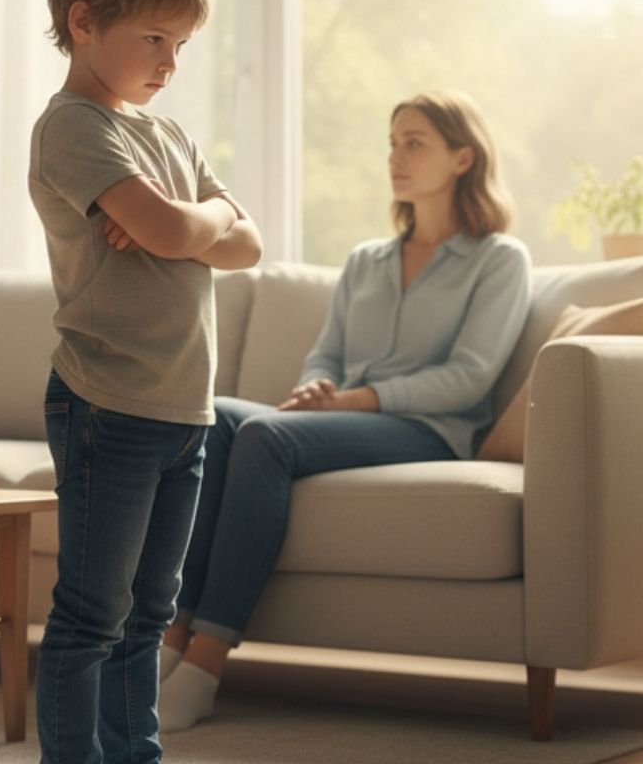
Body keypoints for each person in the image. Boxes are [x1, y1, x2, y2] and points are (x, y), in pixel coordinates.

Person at [156, 90, 532, 732]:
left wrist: (359, 398)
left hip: (430, 431)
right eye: (393, 142)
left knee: (267, 438)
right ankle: (166, 645)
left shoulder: (499, 260)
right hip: (347, 420)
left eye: (415, 143)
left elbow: (469, 380)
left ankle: (206, 667)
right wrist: (317, 390)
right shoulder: (366, 260)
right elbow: (326, 355)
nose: (396, 157)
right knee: (215, 415)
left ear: (463, 157)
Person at [28, 0, 264, 763]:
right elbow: (188, 232)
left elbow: (248, 242)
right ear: (84, 22)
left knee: (150, 617)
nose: (171, 62)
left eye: (184, 43)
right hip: (107, 403)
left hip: (182, 409)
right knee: (93, 613)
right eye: (156, 38)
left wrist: (186, 225)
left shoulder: (166, 137)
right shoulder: (74, 128)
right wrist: (197, 225)